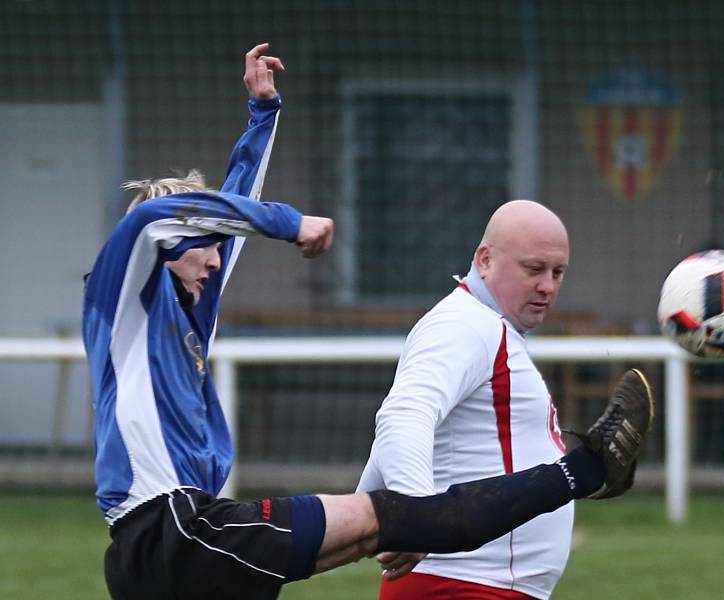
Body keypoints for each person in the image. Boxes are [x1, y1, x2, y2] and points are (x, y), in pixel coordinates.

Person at [83, 44, 654, 600]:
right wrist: (289, 222)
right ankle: (584, 467)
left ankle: (575, 471)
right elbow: (164, 216)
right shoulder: (123, 296)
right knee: (396, 515)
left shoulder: (188, 310)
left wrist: (263, 117)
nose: (215, 259)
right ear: (162, 248)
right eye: (203, 244)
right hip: (175, 530)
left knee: (385, 523)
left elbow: (232, 204)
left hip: (184, 535)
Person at [357, 200, 654, 599]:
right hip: (461, 586)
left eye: (558, 272)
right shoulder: (464, 325)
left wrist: (361, 517)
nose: (548, 286)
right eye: (534, 269)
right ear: (485, 259)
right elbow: (402, 416)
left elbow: (392, 438)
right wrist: (418, 518)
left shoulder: (484, 325)